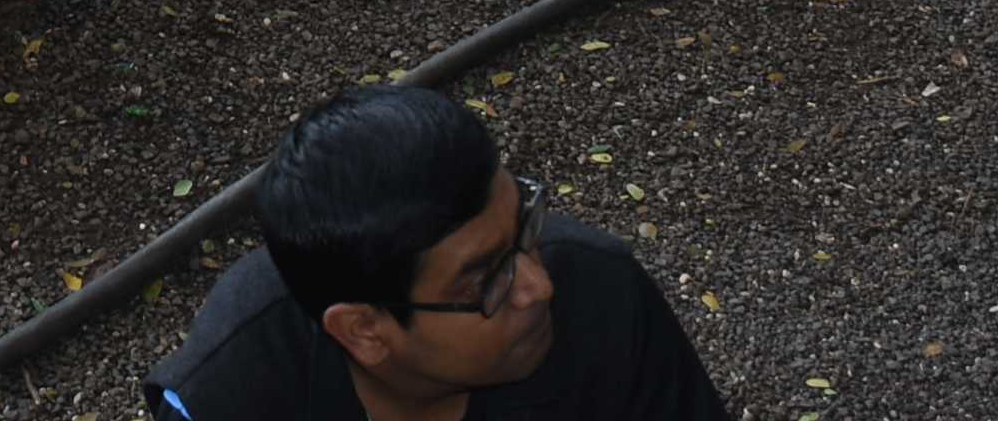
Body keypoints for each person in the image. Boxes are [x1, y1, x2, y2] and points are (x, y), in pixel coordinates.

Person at [145, 84, 724, 421]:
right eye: (486, 281)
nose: (538, 286)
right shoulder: (232, 397)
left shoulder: (601, 298)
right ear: (364, 331)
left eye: (524, 228)